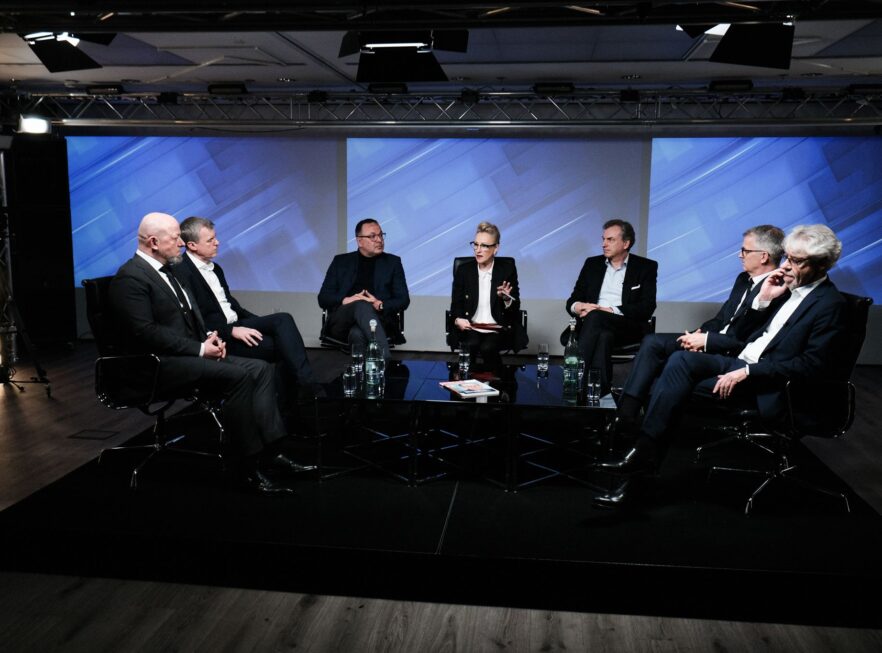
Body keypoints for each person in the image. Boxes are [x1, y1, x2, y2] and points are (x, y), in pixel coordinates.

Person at [595, 224, 847, 507]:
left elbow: (812, 366)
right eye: (787, 257)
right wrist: (763, 300)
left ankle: (638, 470)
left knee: (671, 384)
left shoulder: (830, 304)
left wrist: (747, 371)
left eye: (796, 261)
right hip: (741, 361)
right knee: (677, 364)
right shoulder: (785, 287)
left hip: (766, 381)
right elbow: (748, 332)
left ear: (822, 264)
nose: (786, 265)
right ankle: (641, 458)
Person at [109, 212, 312, 495]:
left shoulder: (167, 270)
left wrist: (209, 338)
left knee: (261, 368)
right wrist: (200, 348)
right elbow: (146, 333)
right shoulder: (131, 278)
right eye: (175, 238)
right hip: (157, 364)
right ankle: (245, 466)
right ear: (154, 242)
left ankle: (272, 452)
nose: (181, 243)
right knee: (239, 376)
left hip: (183, 355)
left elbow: (187, 318)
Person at [616, 225, 785, 429]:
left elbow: (744, 338)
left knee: (671, 362)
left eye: (745, 251)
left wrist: (706, 342)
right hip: (713, 339)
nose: (740, 255)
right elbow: (722, 318)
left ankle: (640, 425)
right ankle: (626, 414)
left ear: (764, 256)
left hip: (730, 352)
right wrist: (700, 333)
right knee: (652, 342)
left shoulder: (776, 289)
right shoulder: (743, 279)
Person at [174, 216, 320, 400]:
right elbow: (196, 318)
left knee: (283, 320)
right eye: (210, 240)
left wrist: (258, 323)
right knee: (285, 347)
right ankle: (303, 394)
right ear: (192, 245)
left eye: (215, 237)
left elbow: (230, 305)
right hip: (219, 336)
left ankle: (303, 389)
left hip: (238, 322)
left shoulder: (216, 268)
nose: (217, 243)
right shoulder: (181, 271)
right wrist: (231, 330)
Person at [564, 219, 657, 395]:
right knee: (604, 335)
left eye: (610, 240)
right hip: (595, 327)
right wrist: (580, 306)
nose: (604, 244)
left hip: (626, 326)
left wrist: (611, 310)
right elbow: (572, 301)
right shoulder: (592, 264)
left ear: (626, 243)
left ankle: (574, 377)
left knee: (596, 316)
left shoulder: (646, 267)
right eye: (603, 239)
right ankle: (599, 393)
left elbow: (647, 306)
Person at [318, 219, 410, 360]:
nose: (379, 240)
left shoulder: (392, 263)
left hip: (378, 321)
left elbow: (403, 299)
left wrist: (380, 304)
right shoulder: (341, 262)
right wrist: (346, 300)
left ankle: (365, 372)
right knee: (360, 304)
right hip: (342, 322)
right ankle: (384, 358)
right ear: (359, 241)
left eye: (381, 235)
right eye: (373, 236)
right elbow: (323, 298)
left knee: (357, 334)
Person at [448, 221, 527, 370]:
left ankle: (498, 382)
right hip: (471, 327)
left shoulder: (507, 269)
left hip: (497, 328)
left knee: (488, 348)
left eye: (484, 246)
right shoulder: (464, 271)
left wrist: (506, 299)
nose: (478, 250)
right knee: (471, 344)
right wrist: (458, 319)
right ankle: (468, 381)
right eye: (476, 245)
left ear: (496, 248)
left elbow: (515, 307)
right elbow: (456, 304)